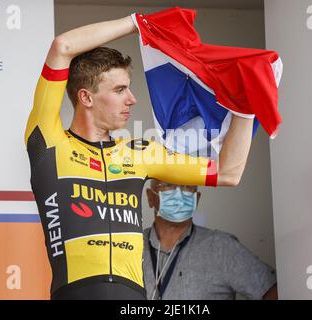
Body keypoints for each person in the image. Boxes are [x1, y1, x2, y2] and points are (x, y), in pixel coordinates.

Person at [24, 13, 254, 300]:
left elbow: (228, 172)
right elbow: (62, 47)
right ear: (86, 97)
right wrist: (138, 24)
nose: (132, 98)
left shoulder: (140, 152)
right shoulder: (49, 142)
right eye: (120, 89)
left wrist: (247, 106)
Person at [144, 179, 278, 300]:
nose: (178, 194)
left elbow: (272, 291)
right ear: (150, 197)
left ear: (196, 199)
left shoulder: (222, 248)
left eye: (187, 186)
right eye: (168, 185)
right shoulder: (130, 246)